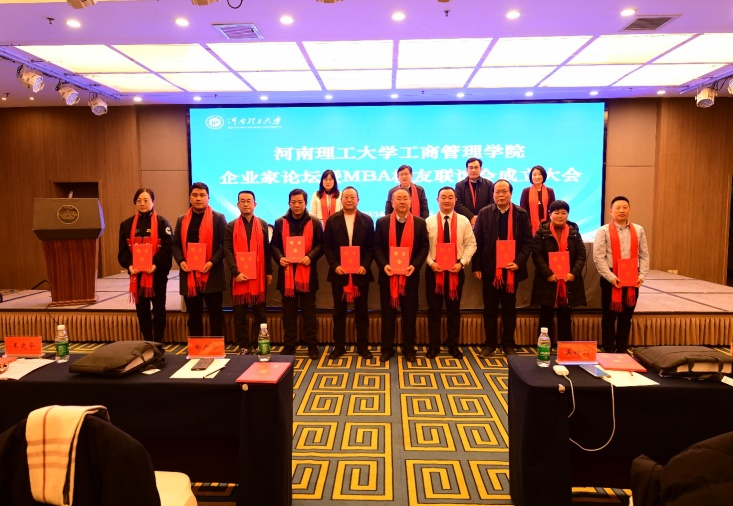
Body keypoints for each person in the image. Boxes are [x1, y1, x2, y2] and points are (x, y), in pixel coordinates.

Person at [472, 179, 533, 357]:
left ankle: (508, 344)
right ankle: (490, 344)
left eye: (504, 191)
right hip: (490, 270)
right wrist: (476, 266)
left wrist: (519, 262)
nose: (500, 195)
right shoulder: (484, 213)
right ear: (493, 194)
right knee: (489, 309)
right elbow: (477, 241)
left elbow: (528, 242)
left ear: (510, 194)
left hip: (511, 270)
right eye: (497, 192)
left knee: (509, 309)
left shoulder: (521, 214)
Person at [373, 188, 429, 363]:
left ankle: (409, 349)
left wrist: (414, 266)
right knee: (387, 315)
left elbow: (424, 247)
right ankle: (387, 349)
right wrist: (385, 265)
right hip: (388, 276)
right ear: (392, 202)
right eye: (398, 199)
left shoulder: (420, 223)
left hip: (410, 277)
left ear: (411, 202)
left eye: (405, 198)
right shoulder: (382, 223)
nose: (402, 201)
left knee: (409, 315)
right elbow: (376, 247)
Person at [271, 189, 324, 359]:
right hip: (287, 274)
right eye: (293, 202)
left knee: (309, 313)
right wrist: (280, 258)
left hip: (307, 275)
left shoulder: (314, 222)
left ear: (305, 203)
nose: (297, 205)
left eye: (300, 202)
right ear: (289, 203)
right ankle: (289, 345)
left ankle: (312, 346)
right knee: (288, 313)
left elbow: (321, 245)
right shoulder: (280, 222)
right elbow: (274, 246)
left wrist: (310, 257)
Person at [323, 186, 375, 360]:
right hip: (339, 273)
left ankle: (363, 346)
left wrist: (365, 265)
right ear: (341, 199)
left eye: (353, 197)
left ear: (358, 200)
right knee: (339, 313)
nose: (349, 200)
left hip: (361, 273)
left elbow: (371, 247)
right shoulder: (332, 220)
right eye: (346, 197)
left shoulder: (367, 220)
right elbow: (327, 247)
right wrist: (335, 265)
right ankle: (339, 347)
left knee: (362, 313)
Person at [425, 187, 477, 359]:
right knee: (434, 310)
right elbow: (423, 247)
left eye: (450, 197)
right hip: (434, 271)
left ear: (455, 200)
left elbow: (471, 244)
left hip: (456, 271)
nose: (447, 200)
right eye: (443, 197)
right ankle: (433, 346)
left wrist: (462, 263)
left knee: (454, 310)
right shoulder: (428, 222)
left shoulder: (463, 221)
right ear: (437, 199)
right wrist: (431, 263)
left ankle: (453, 345)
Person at [593, 196, 649, 353]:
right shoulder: (603, 231)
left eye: (625, 207)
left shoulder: (638, 230)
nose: (622, 210)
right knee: (609, 316)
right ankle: (609, 349)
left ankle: (622, 349)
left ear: (629, 210)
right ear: (611, 211)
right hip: (611, 277)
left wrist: (642, 276)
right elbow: (598, 258)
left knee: (626, 317)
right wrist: (611, 278)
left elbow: (644, 255)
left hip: (632, 277)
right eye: (618, 208)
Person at [172, 182, 227, 338]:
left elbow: (225, 244)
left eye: (202, 195)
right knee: (194, 315)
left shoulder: (218, 218)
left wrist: (212, 262)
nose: (198, 198)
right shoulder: (182, 219)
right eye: (195, 195)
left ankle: (215, 347)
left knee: (215, 314)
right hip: (189, 273)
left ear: (208, 198)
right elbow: (175, 244)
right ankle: (197, 346)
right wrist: (181, 261)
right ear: (190, 198)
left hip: (212, 273)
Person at [117, 188, 173, 343]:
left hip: (157, 274)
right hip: (137, 275)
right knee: (142, 310)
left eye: (146, 200)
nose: (142, 203)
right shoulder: (126, 224)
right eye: (139, 200)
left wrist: (155, 265)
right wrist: (129, 266)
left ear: (153, 202)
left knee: (159, 309)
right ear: (135, 203)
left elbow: (168, 248)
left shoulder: (162, 223)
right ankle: (147, 341)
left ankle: (158, 342)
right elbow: (123, 250)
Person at [531, 200, 586, 346]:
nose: (560, 216)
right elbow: (536, 255)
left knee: (565, 316)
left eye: (563, 213)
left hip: (568, 281)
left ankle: (565, 348)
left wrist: (574, 273)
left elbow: (581, 255)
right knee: (545, 316)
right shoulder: (541, 232)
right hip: (547, 281)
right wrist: (548, 273)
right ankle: (544, 348)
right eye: (556, 213)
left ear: (568, 215)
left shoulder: (574, 232)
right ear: (550, 214)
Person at [223, 190, 273, 355]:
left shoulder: (263, 224)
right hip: (239, 277)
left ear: (255, 204)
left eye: (249, 201)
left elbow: (267, 250)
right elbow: (227, 250)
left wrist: (269, 271)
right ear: (238, 205)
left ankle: (260, 345)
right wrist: (235, 272)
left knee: (260, 314)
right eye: (242, 201)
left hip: (259, 276)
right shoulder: (231, 226)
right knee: (240, 316)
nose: (246, 204)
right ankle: (244, 345)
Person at [455, 157, 494, 226]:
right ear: (467, 170)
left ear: (480, 169)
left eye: (476, 167)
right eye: (471, 168)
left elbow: (492, 202)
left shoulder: (489, 184)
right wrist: (471, 217)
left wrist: (480, 216)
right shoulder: (459, 185)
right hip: (465, 221)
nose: (473, 170)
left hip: (485, 220)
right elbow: (457, 204)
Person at [520, 165, 556, 235]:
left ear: (544, 176)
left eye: (540, 174)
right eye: (534, 175)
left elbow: (553, 209)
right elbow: (523, 209)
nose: (537, 177)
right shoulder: (526, 191)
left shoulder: (550, 191)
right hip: (529, 226)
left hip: (547, 225)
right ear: (531, 177)